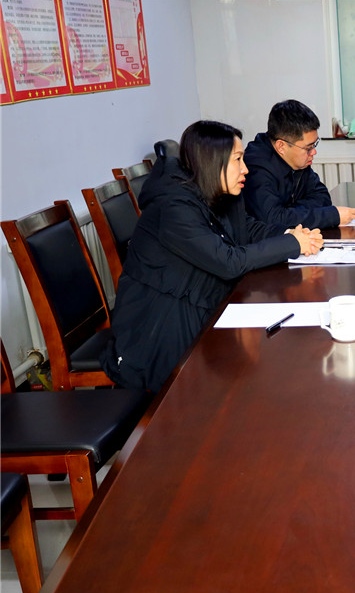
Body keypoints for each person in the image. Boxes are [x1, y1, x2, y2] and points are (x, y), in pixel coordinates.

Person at [101, 120, 323, 392]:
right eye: (237, 160)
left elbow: (247, 229)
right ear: (211, 163)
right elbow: (227, 262)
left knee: (265, 369)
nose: (245, 168)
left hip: (204, 305)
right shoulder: (173, 207)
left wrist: (290, 234)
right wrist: (291, 244)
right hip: (161, 328)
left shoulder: (218, 189)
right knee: (242, 384)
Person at [243, 99, 355, 230]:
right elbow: (273, 220)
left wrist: (288, 212)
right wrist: (330, 216)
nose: (313, 152)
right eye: (308, 148)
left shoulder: (297, 160)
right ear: (281, 146)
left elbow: (322, 197)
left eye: (314, 145)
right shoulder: (255, 168)